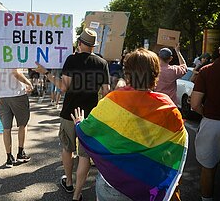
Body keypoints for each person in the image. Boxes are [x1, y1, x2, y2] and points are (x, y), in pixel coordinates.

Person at [71, 48, 188, 201]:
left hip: (112, 186)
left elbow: (90, 129)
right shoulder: (168, 106)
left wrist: (79, 123)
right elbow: (176, 144)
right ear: (155, 74)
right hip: (149, 188)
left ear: (127, 75)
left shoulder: (113, 100)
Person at [35, 28, 110, 200]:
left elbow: (63, 87)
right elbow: (106, 92)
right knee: (84, 155)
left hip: (70, 112)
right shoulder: (102, 63)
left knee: (67, 149)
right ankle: (77, 195)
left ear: (81, 43)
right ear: (93, 46)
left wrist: (46, 72)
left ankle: (68, 182)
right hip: (90, 116)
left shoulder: (71, 59)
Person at [190, 34, 220, 201]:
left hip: (211, 124)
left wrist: (207, 114)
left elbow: (195, 104)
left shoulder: (207, 70)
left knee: (207, 169)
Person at [0, 68, 34, 168]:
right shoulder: (14, 54)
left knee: (6, 128)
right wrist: (28, 83)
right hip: (17, 95)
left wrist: (0, 90)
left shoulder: (0, 54)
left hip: (2, 96)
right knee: (23, 124)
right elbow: (16, 73)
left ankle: (9, 158)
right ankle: (20, 153)